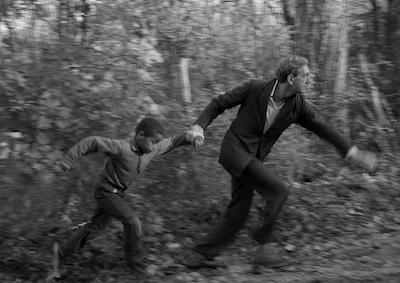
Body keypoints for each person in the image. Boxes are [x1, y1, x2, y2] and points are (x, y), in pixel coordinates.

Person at [185, 55, 377, 269]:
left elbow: (323, 126)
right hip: (234, 151)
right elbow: (218, 103)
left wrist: (353, 151)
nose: (310, 80)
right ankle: (264, 247)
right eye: (306, 76)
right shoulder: (255, 88)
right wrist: (199, 126)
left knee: (238, 213)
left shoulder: (297, 105)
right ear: (291, 78)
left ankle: (199, 255)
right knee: (279, 190)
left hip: (251, 159)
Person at [48, 117, 191, 279]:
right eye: (152, 142)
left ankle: (61, 254)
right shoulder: (121, 148)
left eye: (156, 143)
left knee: (95, 228)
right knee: (132, 221)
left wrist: (189, 137)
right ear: (140, 135)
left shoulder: (151, 149)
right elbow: (92, 141)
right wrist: (67, 161)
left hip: (116, 194)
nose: (153, 148)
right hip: (105, 191)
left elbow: (172, 142)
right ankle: (135, 266)